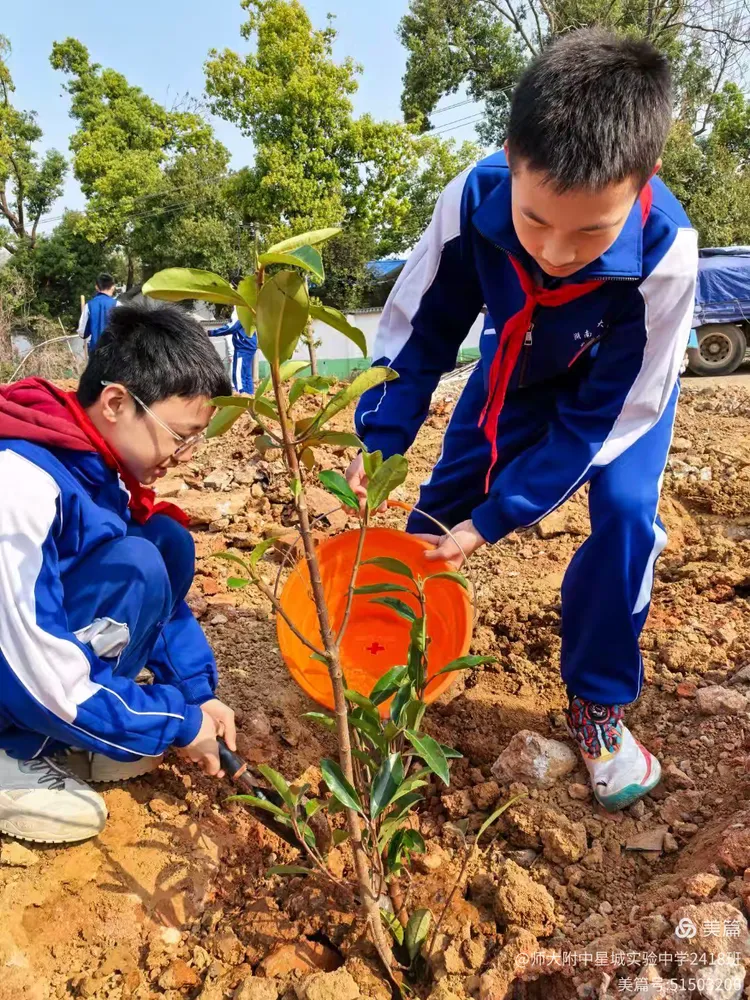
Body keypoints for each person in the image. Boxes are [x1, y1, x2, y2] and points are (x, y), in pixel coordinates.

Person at [348, 29, 698, 812]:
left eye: (590, 232)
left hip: (621, 399)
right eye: (536, 221)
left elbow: (603, 420)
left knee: (629, 518)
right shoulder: (474, 196)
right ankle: (392, 667)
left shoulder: (668, 254)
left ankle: (599, 706)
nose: (555, 253)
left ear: (646, 180)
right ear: (510, 152)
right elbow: (420, 330)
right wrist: (378, 440)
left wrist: (502, 516)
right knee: (433, 518)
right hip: (512, 368)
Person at [0, 304, 236, 845]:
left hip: (28, 666)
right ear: (116, 402)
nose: (184, 456)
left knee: (160, 543)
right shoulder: (20, 482)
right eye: (179, 436)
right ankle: (11, 750)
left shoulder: (93, 463)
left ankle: (83, 734)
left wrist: (192, 696)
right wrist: (172, 724)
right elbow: (30, 661)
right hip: (16, 671)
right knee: (139, 558)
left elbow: (164, 604)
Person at [208, 307, 258, 395]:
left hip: (243, 346)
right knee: (247, 374)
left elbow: (231, 327)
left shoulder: (240, 309)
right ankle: (250, 395)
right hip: (250, 345)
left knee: (238, 375)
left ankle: (241, 397)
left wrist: (211, 333)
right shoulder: (249, 309)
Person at [78, 272, 118, 351]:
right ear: (113, 287)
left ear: (96, 287)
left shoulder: (88, 306)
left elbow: (82, 333)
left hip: (95, 353)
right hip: (114, 354)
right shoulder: (118, 305)